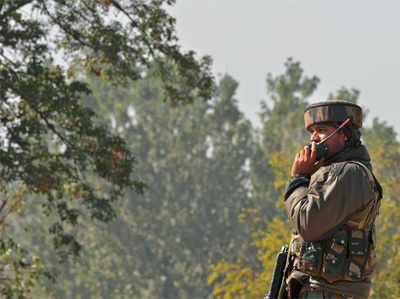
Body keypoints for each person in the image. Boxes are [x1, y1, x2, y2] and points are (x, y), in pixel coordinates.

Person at [281, 100, 382, 299]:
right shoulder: (331, 173)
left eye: (321, 130)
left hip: (329, 292)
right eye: (311, 131)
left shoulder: (348, 173)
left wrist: (298, 180)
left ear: (343, 134)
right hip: (317, 289)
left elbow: (308, 224)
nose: (313, 139)